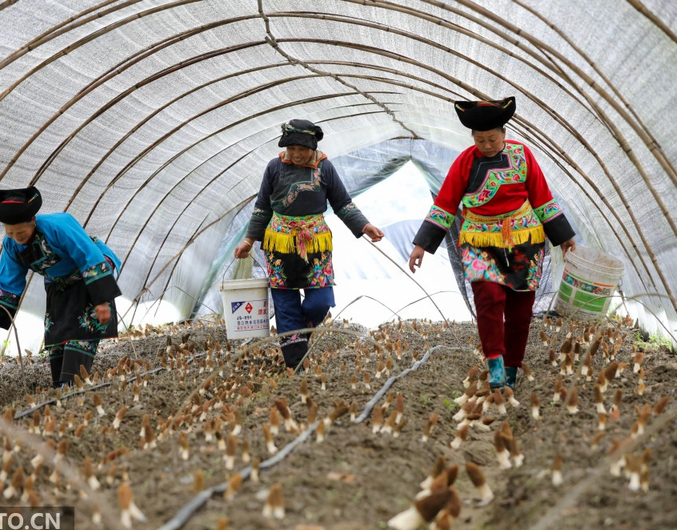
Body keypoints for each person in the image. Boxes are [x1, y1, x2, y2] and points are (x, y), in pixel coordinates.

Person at [408, 97, 576, 390]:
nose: (486, 145)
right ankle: (495, 361)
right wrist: (422, 244)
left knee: (520, 310)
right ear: (472, 138)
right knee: (487, 300)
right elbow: (445, 204)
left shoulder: (523, 155)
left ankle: (512, 366)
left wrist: (564, 238)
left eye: (492, 139)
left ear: (504, 134)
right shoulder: (465, 161)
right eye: (480, 140)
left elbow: (542, 197)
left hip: (524, 241)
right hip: (479, 241)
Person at [234, 119, 384, 369]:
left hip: (314, 244)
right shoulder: (274, 167)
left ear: (312, 146)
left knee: (320, 300)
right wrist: (249, 240)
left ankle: (299, 334)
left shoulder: (325, 168)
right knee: (285, 306)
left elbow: (343, 204)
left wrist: (364, 226)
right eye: (291, 149)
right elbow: (262, 207)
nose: (296, 154)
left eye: (301, 149)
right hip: (279, 245)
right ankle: (296, 365)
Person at [0, 187, 122, 388]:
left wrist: (101, 301)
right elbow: (9, 283)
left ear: (33, 221)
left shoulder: (58, 226)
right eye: (10, 232)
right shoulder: (11, 245)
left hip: (88, 271)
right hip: (58, 282)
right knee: (58, 332)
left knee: (81, 330)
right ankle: (61, 386)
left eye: (21, 232)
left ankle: (72, 384)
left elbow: (87, 256)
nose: (16, 237)